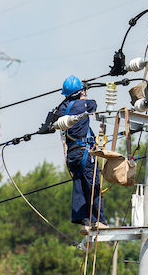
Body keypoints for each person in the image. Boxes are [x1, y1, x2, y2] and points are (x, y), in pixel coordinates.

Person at [54, 75, 108, 235]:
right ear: (80, 92)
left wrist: (80, 93)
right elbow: (94, 104)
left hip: (72, 155)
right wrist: (84, 95)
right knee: (93, 186)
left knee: (79, 186)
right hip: (84, 152)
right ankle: (98, 220)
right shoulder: (83, 104)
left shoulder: (62, 109)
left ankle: (85, 222)